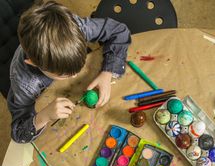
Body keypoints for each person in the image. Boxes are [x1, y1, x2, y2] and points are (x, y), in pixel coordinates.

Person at [8, 1, 131, 143]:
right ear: (34, 64)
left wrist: (108, 72)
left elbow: (119, 31)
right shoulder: (23, 82)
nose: (75, 75)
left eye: (80, 65)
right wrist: (44, 116)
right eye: (63, 74)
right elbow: (18, 133)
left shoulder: (74, 28)